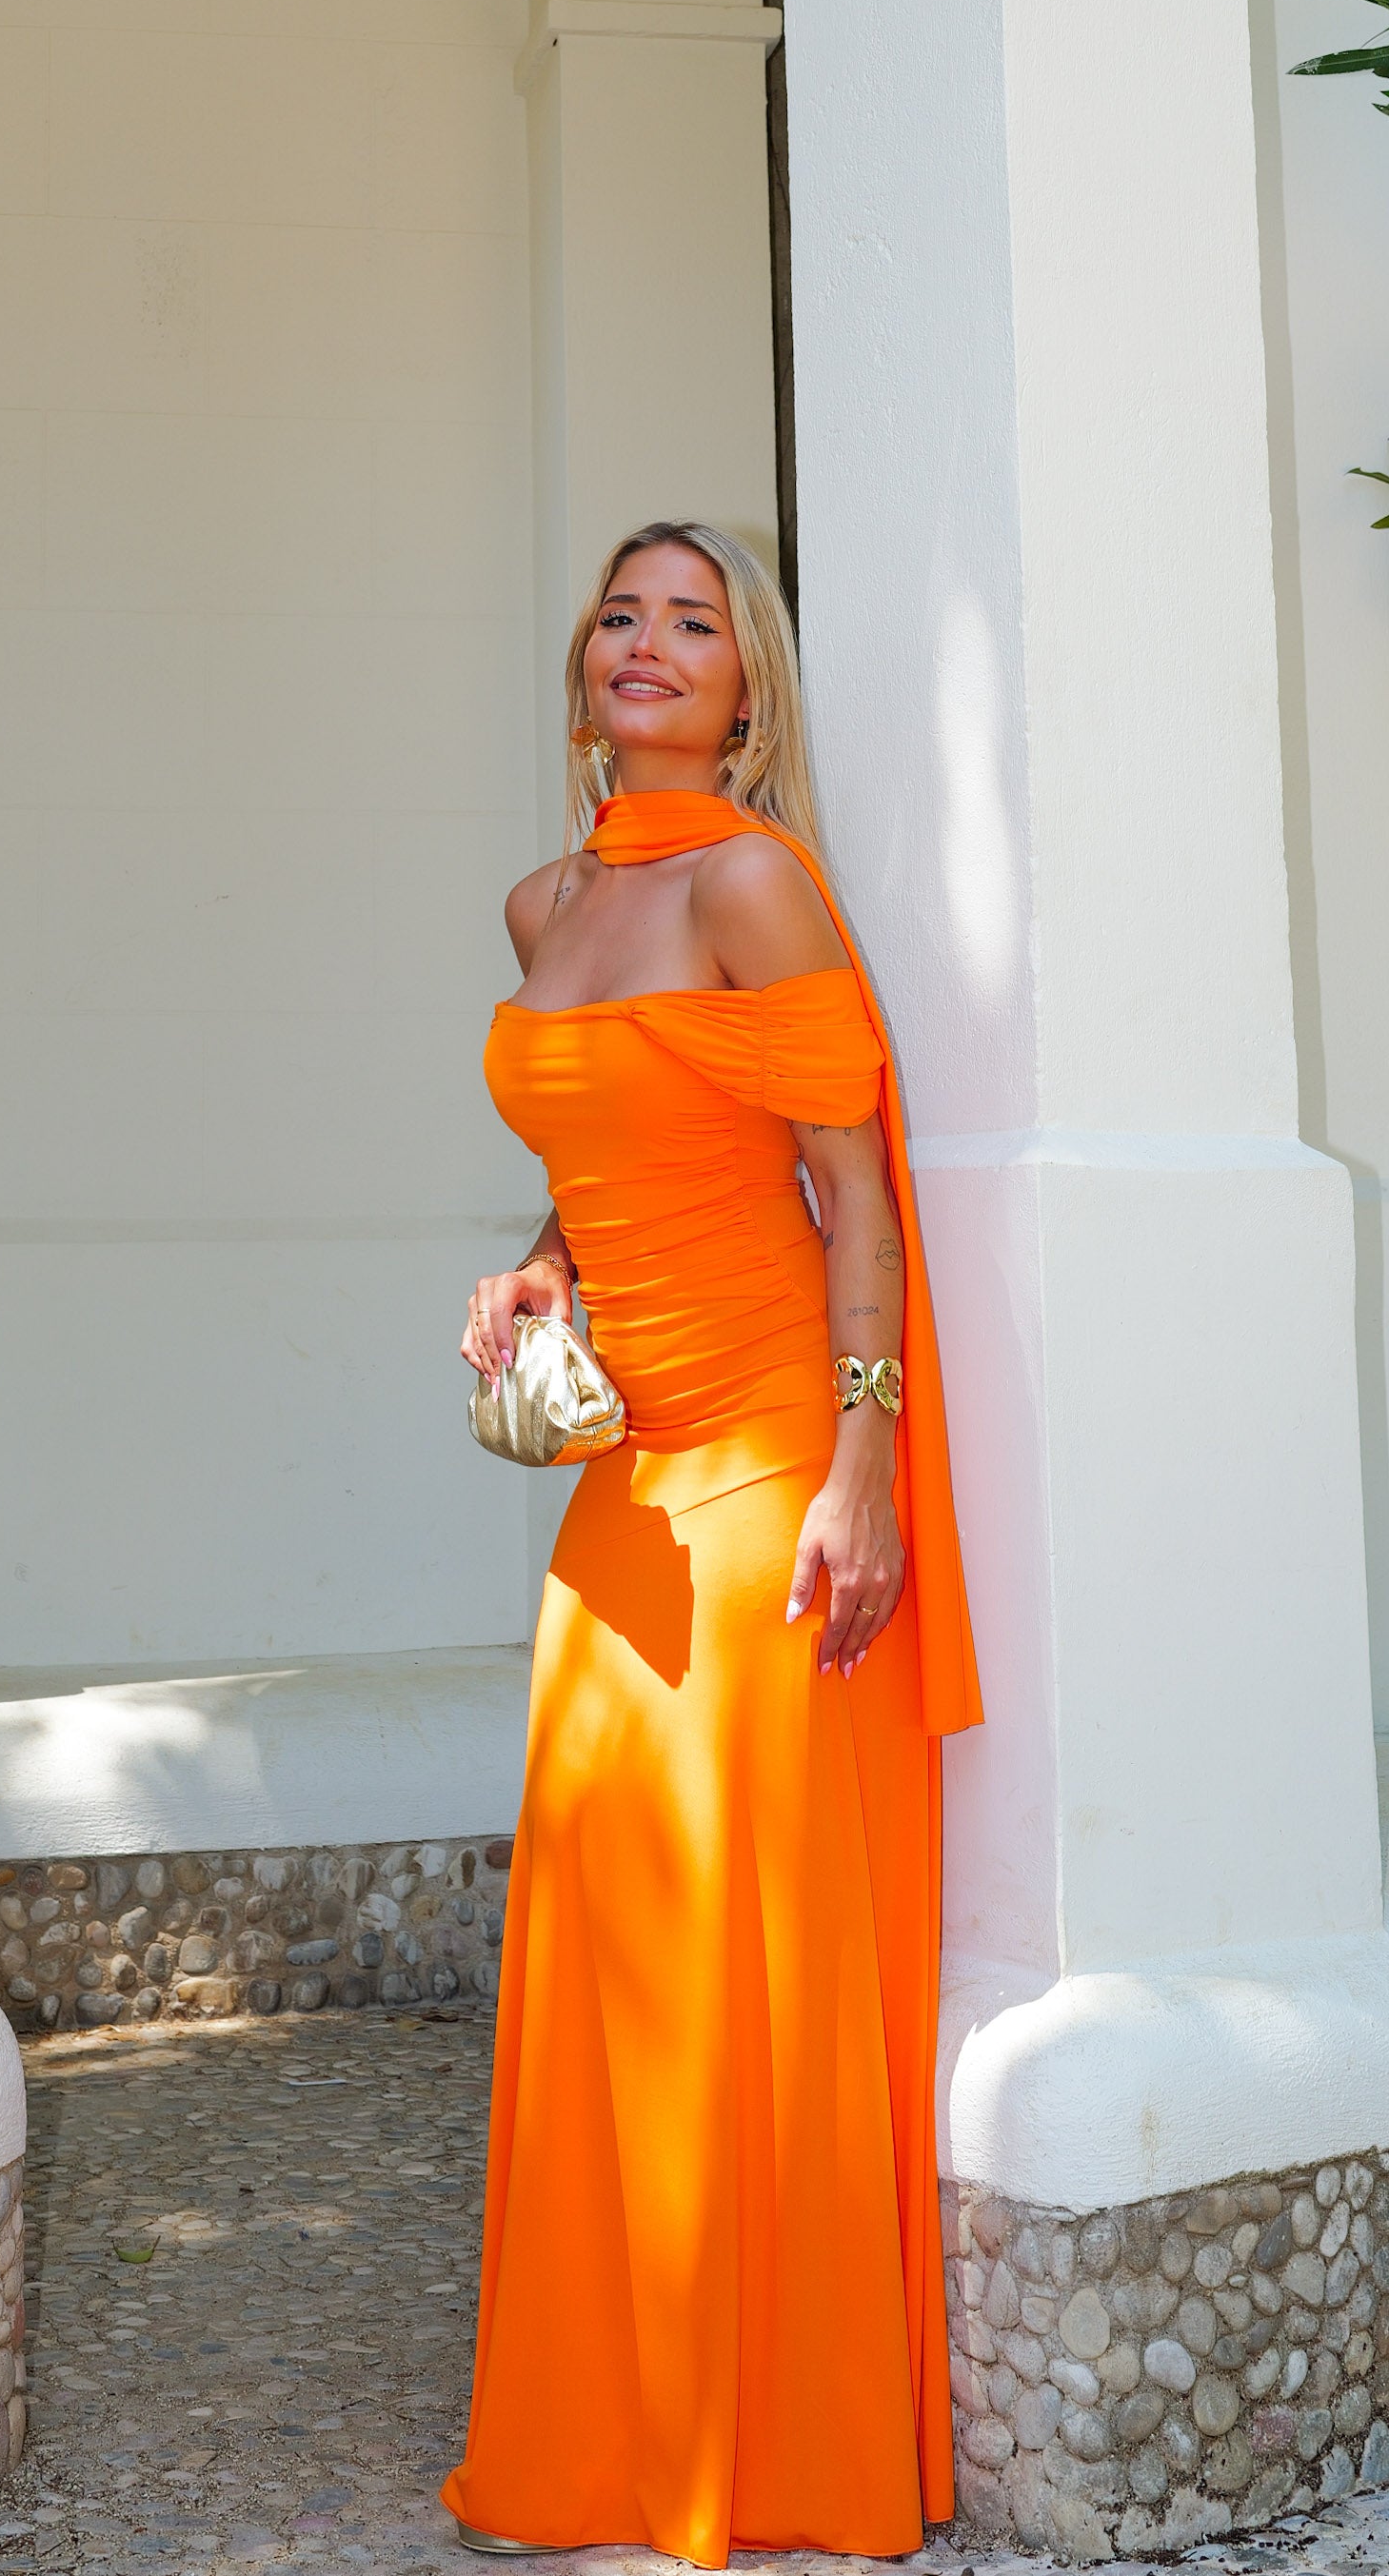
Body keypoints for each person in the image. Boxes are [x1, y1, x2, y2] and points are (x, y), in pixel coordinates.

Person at [442, 521, 982, 2566]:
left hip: (770, 1448)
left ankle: (773, 2447)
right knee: (610, 1940)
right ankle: (617, 2426)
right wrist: (531, 1274)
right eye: (620, 613)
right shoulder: (545, 896)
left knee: (749, 1942)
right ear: (581, 658)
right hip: (624, 1480)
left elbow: (848, 1189)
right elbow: (623, 1153)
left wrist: (865, 1462)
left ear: (748, 688)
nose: (650, 644)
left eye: (695, 623)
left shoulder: (753, 883)